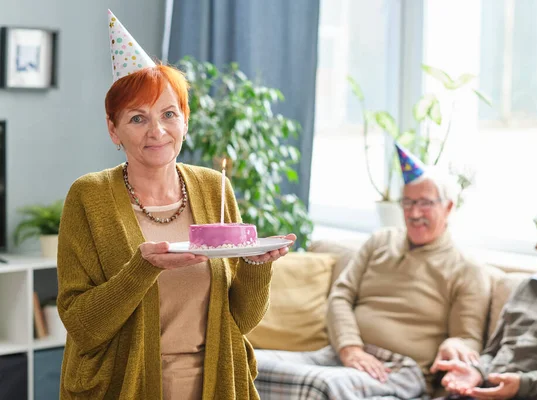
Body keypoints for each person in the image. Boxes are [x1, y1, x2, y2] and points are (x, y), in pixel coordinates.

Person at [57, 10, 294, 400]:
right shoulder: (89, 196)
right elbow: (82, 326)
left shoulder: (213, 187)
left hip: (216, 384)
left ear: (185, 120)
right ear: (113, 129)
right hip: (124, 387)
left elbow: (241, 320)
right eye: (137, 118)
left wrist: (255, 266)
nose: (157, 131)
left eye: (169, 114)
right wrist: (141, 269)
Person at [254, 145, 491, 399]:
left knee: (322, 386)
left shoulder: (467, 269)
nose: (414, 213)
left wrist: (456, 343)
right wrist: (350, 348)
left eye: (425, 203)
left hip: (400, 370)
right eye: (408, 202)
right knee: (244, 361)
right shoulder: (380, 241)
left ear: (448, 207)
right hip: (340, 354)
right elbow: (340, 296)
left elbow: (467, 338)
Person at [436, 201, 537, 400]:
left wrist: (523, 385)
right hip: (482, 393)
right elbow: (493, 351)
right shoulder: (528, 287)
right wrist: (477, 371)